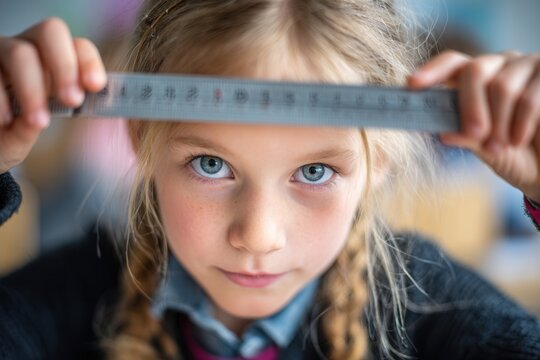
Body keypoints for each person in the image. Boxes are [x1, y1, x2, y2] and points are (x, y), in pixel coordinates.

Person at [1, 1, 540, 359]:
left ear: (381, 163)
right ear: (141, 139)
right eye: (211, 164)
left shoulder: (435, 311)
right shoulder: (70, 299)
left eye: (314, 171)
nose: (258, 236)